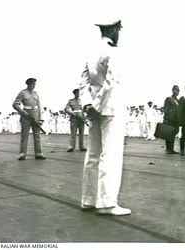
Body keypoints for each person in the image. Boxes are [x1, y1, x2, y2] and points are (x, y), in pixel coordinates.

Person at [79, 19, 130, 215]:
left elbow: (83, 82)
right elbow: (111, 82)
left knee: (93, 154)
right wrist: (98, 106)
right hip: (110, 109)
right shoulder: (113, 52)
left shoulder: (91, 51)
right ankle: (107, 203)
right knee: (111, 155)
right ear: (114, 29)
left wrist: (88, 105)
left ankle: (89, 199)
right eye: (119, 29)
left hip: (94, 110)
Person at [12, 78, 46, 161]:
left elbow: (39, 107)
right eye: (32, 84)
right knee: (24, 136)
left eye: (35, 84)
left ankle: (38, 154)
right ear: (28, 84)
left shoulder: (36, 94)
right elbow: (15, 104)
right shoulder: (22, 93)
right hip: (26, 117)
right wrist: (22, 112)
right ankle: (22, 154)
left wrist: (40, 118)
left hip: (35, 116)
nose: (34, 86)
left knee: (37, 136)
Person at [163, 85, 180, 154]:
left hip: (176, 120)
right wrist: (166, 118)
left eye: (178, 90)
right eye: (176, 90)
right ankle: (168, 149)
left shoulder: (177, 100)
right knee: (169, 134)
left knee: (173, 134)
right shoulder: (169, 99)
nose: (177, 92)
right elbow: (166, 109)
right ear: (173, 90)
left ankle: (171, 148)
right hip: (169, 119)